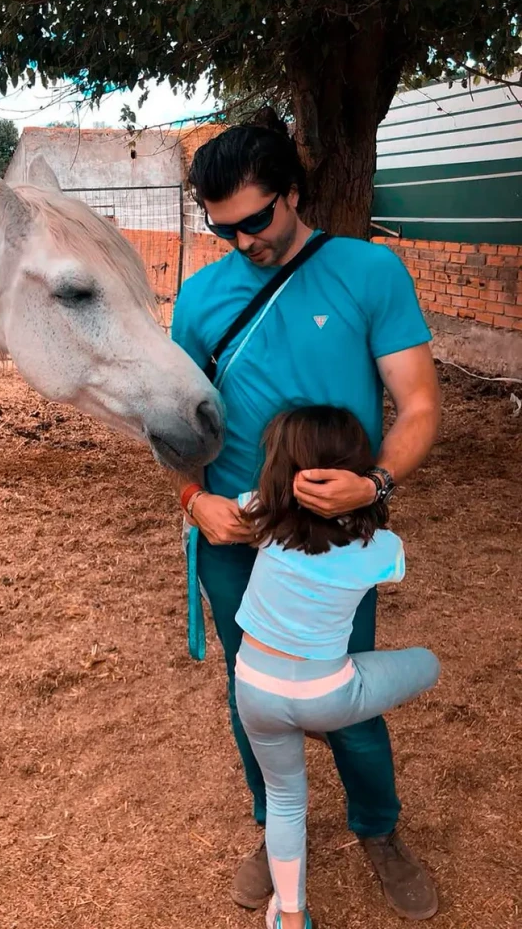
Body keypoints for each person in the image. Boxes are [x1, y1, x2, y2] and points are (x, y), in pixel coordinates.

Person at [171, 120, 441, 920]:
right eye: (223, 229)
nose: (242, 240)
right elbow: (176, 427)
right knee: (247, 686)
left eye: (257, 220)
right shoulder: (199, 296)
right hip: (234, 532)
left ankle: (378, 829)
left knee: (343, 687)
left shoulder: (368, 272)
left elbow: (420, 403)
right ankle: (274, 822)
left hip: (330, 537)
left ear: (293, 193)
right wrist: (193, 501)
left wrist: (378, 483)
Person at [233, 405, 440, 929]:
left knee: (285, 800)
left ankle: (292, 916)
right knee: (426, 663)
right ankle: (322, 727)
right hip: (328, 694)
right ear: (352, 472)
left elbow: (237, 510)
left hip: (253, 691)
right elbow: (397, 565)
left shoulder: (262, 515)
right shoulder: (376, 547)